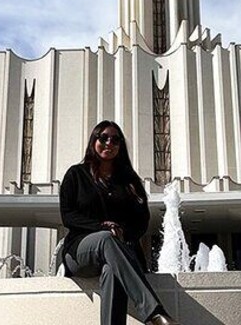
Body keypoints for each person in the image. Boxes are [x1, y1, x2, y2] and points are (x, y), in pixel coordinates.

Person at [60, 120, 179, 325]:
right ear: (93, 141)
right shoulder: (76, 174)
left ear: (120, 146)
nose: (109, 143)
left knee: (112, 270)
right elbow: (68, 216)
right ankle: (154, 314)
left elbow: (142, 220)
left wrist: (124, 233)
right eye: (103, 138)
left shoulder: (129, 180)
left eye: (115, 140)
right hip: (80, 251)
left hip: (117, 250)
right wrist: (102, 227)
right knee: (107, 239)